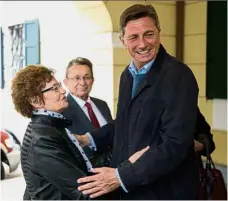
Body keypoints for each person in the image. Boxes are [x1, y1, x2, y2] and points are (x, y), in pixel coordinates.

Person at [75, 4, 200, 200]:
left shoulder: (178, 75)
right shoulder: (127, 75)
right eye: (133, 37)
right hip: (131, 190)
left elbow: (176, 144)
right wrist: (87, 139)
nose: (142, 44)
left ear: (159, 33)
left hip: (164, 192)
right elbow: (124, 124)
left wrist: (121, 176)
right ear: (123, 41)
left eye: (148, 34)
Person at [11, 65, 145, 200]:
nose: (63, 91)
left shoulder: (52, 128)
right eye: (54, 88)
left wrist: (125, 161)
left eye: (59, 85)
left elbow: (84, 166)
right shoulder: (43, 139)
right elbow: (84, 192)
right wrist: (127, 167)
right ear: (35, 101)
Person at [62, 57, 113, 168]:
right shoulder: (62, 111)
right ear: (66, 82)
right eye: (77, 78)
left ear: (93, 80)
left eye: (87, 77)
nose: (82, 82)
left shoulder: (102, 105)